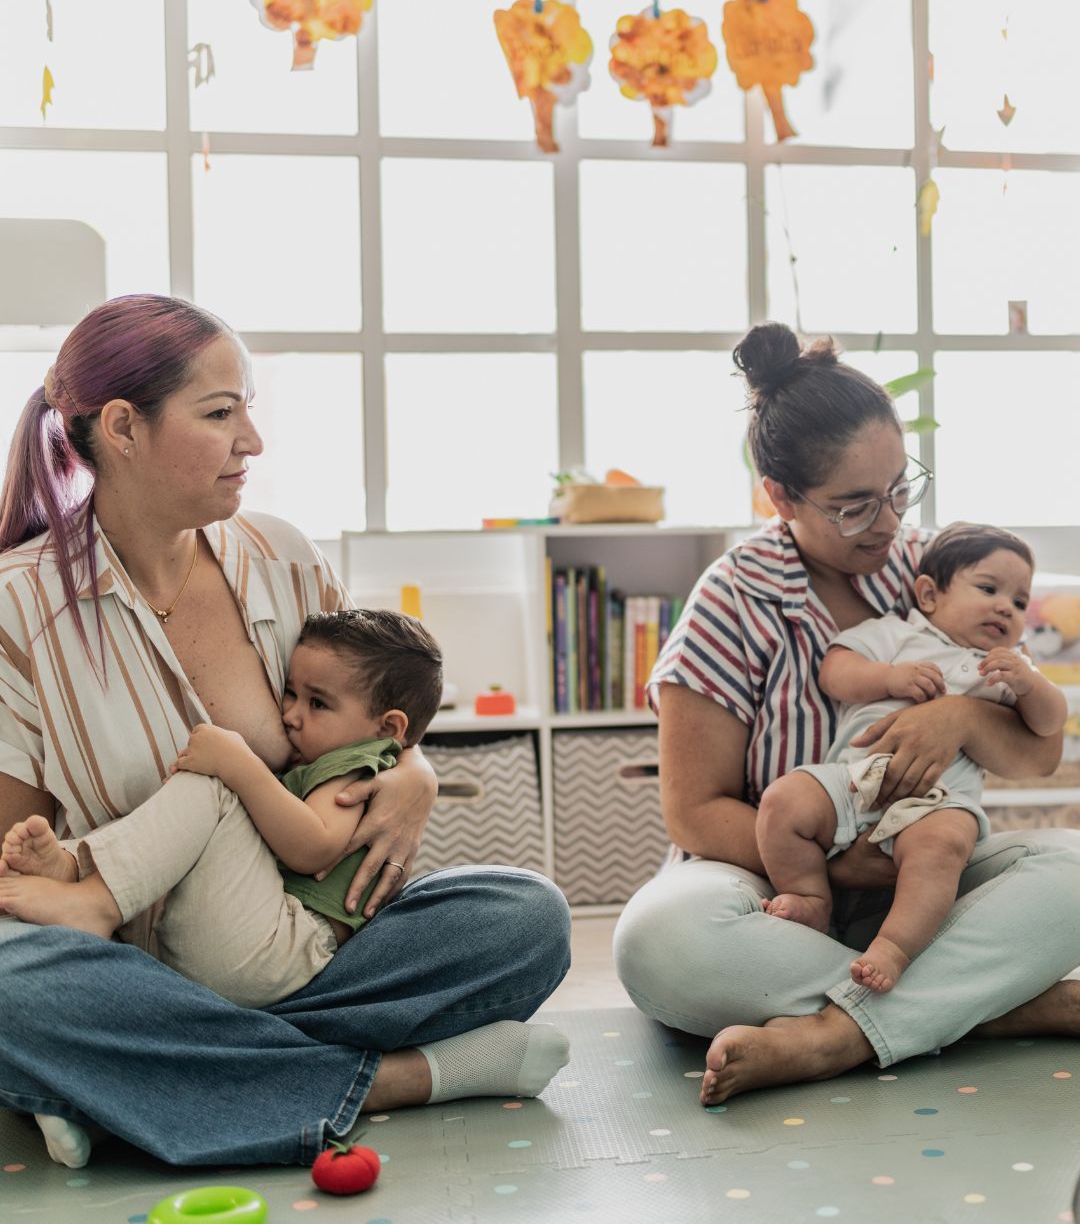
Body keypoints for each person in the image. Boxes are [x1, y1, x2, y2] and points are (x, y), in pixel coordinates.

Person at [0, 295, 571, 1169]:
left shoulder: (285, 558)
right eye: (220, 413)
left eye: (249, 410)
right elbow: (15, 871)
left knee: (525, 917)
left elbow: (378, 712)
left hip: (299, 948)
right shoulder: (17, 608)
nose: (253, 441)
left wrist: (412, 770)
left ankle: (139, 1078)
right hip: (122, 965)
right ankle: (396, 1078)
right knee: (14, 986)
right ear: (122, 427)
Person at [612, 322, 1080, 1111]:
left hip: (924, 873)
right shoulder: (731, 600)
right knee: (660, 944)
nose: (890, 523)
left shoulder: (939, 569)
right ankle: (992, 1007)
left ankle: (835, 1035)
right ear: (781, 498)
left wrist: (960, 720)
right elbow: (693, 813)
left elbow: (1036, 757)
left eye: (899, 489)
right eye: (855, 507)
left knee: (1072, 870)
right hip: (776, 886)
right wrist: (834, 863)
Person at [0, 607, 453, 1009]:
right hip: (244, 943)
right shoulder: (337, 754)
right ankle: (77, 869)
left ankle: (96, 900)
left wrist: (239, 765)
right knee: (186, 826)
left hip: (284, 948)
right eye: (290, 693)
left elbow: (314, 847)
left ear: (387, 728)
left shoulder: (356, 767)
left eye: (317, 703)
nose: (291, 715)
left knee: (216, 789)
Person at [757, 522, 1067, 993]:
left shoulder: (1006, 668)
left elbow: (1048, 726)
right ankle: (810, 896)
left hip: (937, 803)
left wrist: (1030, 684)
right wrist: (888, 678)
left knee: (942, 848)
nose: (1006, 606)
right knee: (783, 802)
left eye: (1020, 602)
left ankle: (894, 948)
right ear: (928, 595)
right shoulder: (898, 634)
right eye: (988, 589)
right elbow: (835, 670)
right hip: (853, 780)